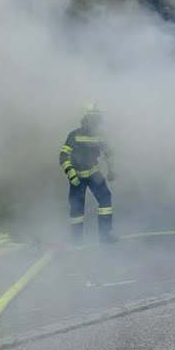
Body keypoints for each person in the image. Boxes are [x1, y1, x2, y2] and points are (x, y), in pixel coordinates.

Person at [59, 103, 117, 244]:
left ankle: (106, 236)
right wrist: (71, 173)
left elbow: (109, 154)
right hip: (77, 176)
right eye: (95, 118)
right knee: (77, 207)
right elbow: (63, 156)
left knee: (105, 199)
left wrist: (112, 170)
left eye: (98, 118)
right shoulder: (74, 135)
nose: (98, 121)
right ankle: (77, 240)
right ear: (88, 118)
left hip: (93, 173)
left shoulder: (100, 136)